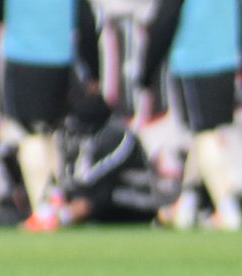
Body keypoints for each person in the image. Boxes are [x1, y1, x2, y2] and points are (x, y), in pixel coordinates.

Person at [0, 0, 101, 230]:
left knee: (27, 133)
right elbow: (87, 23)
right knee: (49, 132)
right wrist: (93, 70)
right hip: (60, 64)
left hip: (23, 62)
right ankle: (55, 198)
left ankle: (42, 208)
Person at [138, 0, 242, 230]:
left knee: (204, 135)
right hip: (225, 65)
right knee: (202, 134)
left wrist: (146, 72)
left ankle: (227, 208)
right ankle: (188, 206)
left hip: (193, 65)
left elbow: (160, 28)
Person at [56, 90, 164, 226]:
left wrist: (75, 195)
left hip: (138, 197)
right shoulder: (91, 136)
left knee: (99, 194)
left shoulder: (121, 135)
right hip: (107, 196)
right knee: (92, 194)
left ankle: (64, 217)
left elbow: (94, 174)